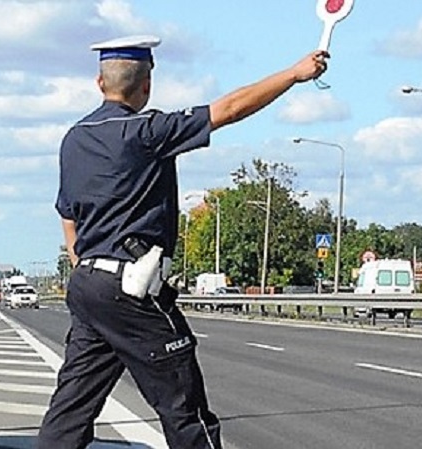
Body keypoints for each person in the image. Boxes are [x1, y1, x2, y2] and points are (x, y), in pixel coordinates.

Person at [37, 35, 328, 449]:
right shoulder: (148, 130)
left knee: (70, 412)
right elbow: (228, 109)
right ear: (147, 85)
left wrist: (83, 259)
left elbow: (67, 213)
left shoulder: (74, 137)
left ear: (99, 83)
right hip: (131, 289)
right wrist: (295, 75)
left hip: (87, 285)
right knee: (184, 408)